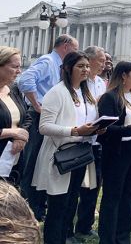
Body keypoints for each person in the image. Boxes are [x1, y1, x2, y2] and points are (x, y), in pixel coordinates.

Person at [31, 51, 102, 244]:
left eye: (87, 66)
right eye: (81, 66)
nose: (86, 70)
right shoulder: (57, 92)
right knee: (58, 206)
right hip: (59, 156)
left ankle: (65, 237)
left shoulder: (86, 93)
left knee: (71, 203)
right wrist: (75, 131)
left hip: (80, 154)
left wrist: (97, 129)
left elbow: (88, 120)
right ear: (68, 69)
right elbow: (44, 127)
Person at [18, 34, 78, 221]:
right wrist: (37, 105)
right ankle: (29, 206)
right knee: (33, 161)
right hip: (40, 117)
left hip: (49, 117)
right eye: (75, 49)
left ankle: (38, 204)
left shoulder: (56, 63)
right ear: (66, 46)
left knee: (43, 162)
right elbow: (25, 80)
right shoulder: (48, 61)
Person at [97, 61, 131, 244]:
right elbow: (105, 130)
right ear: (123, 75)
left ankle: (123, 237)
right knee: (112, 197)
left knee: (130, 196)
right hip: (117, 152)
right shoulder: (110, 98)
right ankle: (108, 238)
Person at [67, 46, 107, 241]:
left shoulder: (101, 82)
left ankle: (85, 225)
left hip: (95, 141)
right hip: (76, 141)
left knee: (93, 187)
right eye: (100, 60)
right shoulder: (79, 84)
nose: (104, 63)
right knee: (73, 189)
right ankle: (67, 230)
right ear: (89, 61)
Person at [0, 46, 30, 182]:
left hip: (14, 158)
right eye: (15, 67)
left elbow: (27, 117)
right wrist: (11, 133)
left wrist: (20, 136)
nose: (19, 71)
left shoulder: (14, 89)